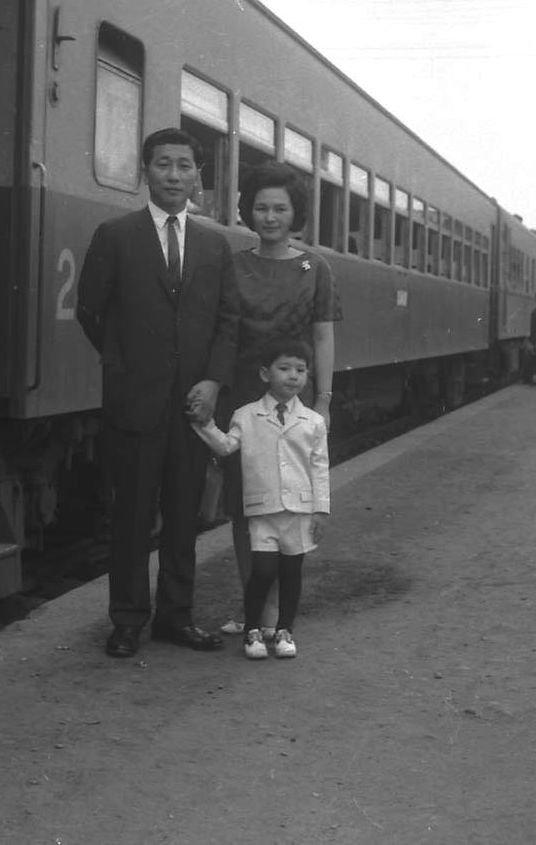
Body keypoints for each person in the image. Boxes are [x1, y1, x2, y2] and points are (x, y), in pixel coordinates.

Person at [76, 127, 239, 658]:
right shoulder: (116, 235)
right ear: (145, 170)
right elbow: (91, 310)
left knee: (184, 513)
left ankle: (176, 617)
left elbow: (227, 321)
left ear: (198, 176)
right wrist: (126, 367)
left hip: (193, 406)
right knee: (130, 516)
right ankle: (127, 620)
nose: (174, 175)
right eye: (163, 164)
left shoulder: (216, 244)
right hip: (135, 402)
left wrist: (212, 381)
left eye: (184, 166)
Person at [216, 161, 340, 637]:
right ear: (249, 211)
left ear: (295, 214)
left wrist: (324, 400)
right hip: (245, 399)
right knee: (247, 504)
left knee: (290, 508)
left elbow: (323, 338)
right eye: (261, 207)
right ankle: (257, 611)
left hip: (293, 400)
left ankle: (272, 616)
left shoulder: (316, 268)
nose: (270, 217)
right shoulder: (235, 263)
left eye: (280, 209)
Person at [192, 337, 329, 660]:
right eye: (285, 369)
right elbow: (226, 446)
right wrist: (204, 425)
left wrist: (321, 510)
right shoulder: (246, 415)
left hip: (298, 511)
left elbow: (319, 466)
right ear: (266, 374)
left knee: (292, 574)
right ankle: (253, 629)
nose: (293, 376)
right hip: (262, 510)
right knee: (263, 571)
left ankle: (284, 630)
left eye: (301, 370)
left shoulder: (313, 422)